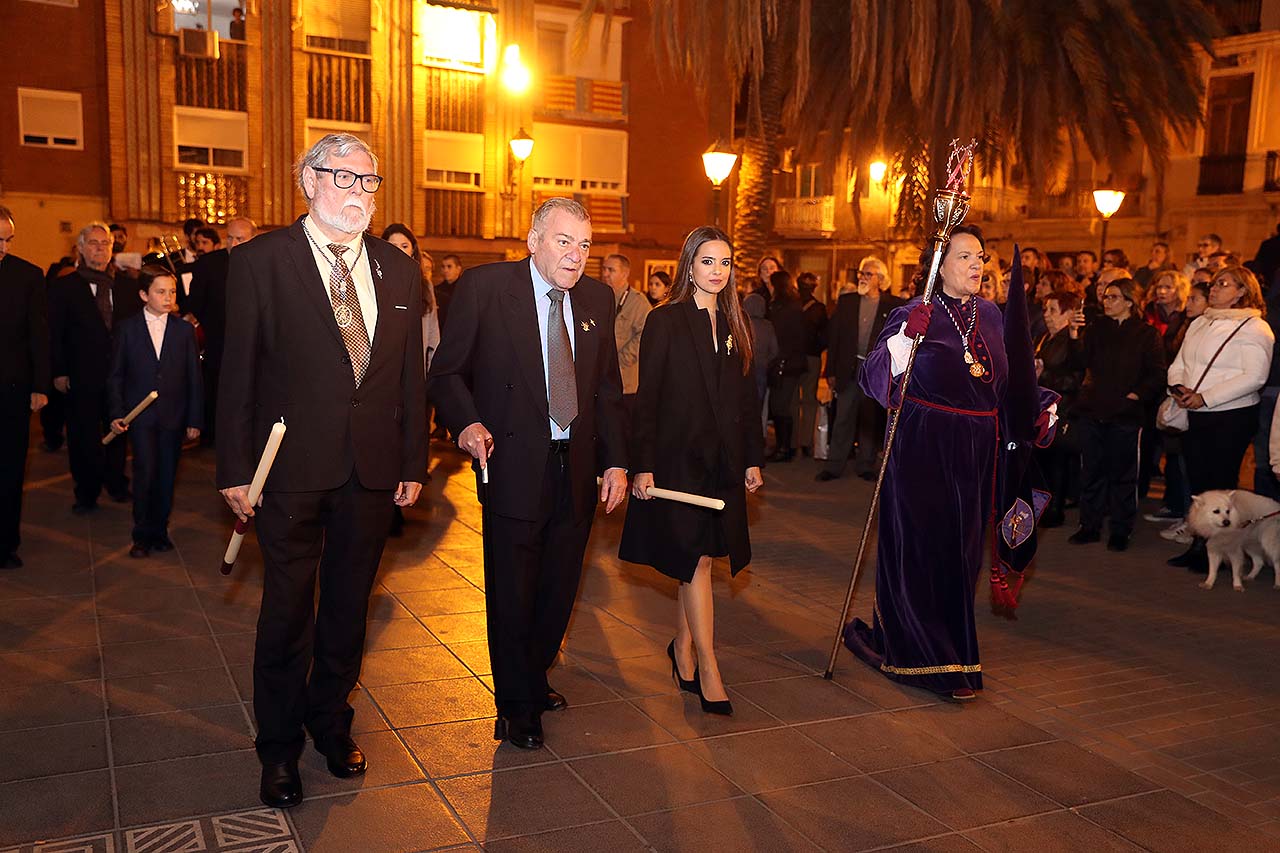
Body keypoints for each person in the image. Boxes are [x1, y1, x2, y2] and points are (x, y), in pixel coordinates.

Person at [216, 134, 427, 808]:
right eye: (344, 177)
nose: (359, 192)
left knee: (346, 608)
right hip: (289, 471)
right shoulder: (259, 262)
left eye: (370, 181)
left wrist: (413, 458)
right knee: (286, 611)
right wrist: (234, 467)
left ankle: (329, 720)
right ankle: (277, 748)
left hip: (370, 470)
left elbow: (407, 376)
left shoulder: (399, 270)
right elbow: (237, 371)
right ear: (307, 179)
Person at [428, 197, 628, 751]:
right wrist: (466, 424)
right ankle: (515, 703)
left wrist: (615, 459)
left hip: (577, 467)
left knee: (559, 587)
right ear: (534, 240)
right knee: (513, 588)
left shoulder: (596, 299)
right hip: (512, 464)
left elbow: (606, 389)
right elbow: (446, 374)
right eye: (564, 241)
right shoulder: (485, 289)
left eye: (585, 244)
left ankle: (534, 676)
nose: (576, 255)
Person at [843, 224, 1057, 700]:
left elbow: (1005, 386)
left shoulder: (995, 318)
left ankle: (954, 652)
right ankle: (919, 656)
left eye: (981, 256)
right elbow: (872, 379)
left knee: (961, 557)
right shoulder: (911, 312)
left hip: (976, 452)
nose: (977, 264)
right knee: (920, 551)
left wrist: (1039, 406)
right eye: (964, 257)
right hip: (923, 446)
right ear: (940, 266)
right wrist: (902, 343)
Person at [619, 226, 764, 715]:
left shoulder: (736, 322)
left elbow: (746, 400)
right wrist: (643, 466)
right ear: (689, 265)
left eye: (725, 262)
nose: (717, 271)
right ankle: (708, 664)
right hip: (678, 463)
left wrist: (750, 459)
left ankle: (681, 649)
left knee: (698, 560)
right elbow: (649, 400)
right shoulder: (666, 321)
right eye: (708, 261)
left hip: (722, 464)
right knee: (697, 560)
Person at [1166, 266, 1273, 571]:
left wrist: (1206, 397)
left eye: (1223, 284)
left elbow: (1254, 376)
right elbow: (1181, 361)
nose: (1214, 289)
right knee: (1198, 484)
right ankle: (1199, 543)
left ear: (1242, 291)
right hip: (1196, 413)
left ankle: (1223, 551)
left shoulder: (1255, 328)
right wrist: (1179, 387)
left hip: (1231, 417)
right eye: (1214, 284)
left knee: (1221, 485)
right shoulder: (1201, 322)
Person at [108, 267, 203, 557]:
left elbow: (194, 377)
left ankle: (160, 530)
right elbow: (116, 376)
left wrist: (195, 419)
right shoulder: (127, 328)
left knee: (166, 474)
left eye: (172, 291)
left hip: (173, 415)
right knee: (145, 471)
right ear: (143, 294)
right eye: (160, 291)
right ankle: (141, 534)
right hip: (140, 416)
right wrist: (117, 412)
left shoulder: (184, 330)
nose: (168, 297)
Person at [1065, 278, 1166, 551]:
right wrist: (1074, 335)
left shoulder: (1146, 334)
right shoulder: (1096, 329)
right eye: (1106, 297)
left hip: (1125, 415)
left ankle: (1121, 530)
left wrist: (1136, 395)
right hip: (1092, 411)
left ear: (1130, 302)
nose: (1107, 302)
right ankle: (1090, 525)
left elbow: (1157, 373)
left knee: (1123, 475)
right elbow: (1078, 363)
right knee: (1092, 471)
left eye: (1114, 297)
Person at [48, 222, 138, 513]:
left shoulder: (127, 286)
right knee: (82, 436)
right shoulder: (64, 287)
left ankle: (116, 484)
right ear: (81, 248)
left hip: (119, 377)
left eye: (105, 243)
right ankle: (85, 493)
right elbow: (54, 332)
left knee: (118, 433)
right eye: (94, 243)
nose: (100, 249)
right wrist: (59, 371)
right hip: (81, 376)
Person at [817, 257, 904, 481]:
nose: (862, 278)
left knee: (869, 419)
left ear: (881, 279)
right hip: (848, 368)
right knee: (842, 418)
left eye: (868, 274)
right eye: (861, 274)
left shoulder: (891, 305)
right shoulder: (847, 301)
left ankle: (865, 464)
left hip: (874, 371)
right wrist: (830, 372)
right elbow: (834, 337)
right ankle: (834, 465)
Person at [380, 222, 438, 536]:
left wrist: (429, 375)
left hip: (414, 376)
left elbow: (432, 335)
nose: (399, 252)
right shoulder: (373, 281)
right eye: (392, 245)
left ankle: (400, 498)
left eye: (405, 246)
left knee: (409, 439)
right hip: (385, 379)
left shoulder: (422, 284)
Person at [0, 206, 50, 569]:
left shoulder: (28, 276)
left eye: (8, 239)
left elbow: (39, 336)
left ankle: (5, 543)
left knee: (9, 468)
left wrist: (40, 385)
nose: (3, 246)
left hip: (12, 389)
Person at [186, 217, 257, 446]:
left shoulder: (264, 261)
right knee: (217, 393)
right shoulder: (207, 265)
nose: (233, 243)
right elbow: (195, 304)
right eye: (229, 238)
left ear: (253, 239)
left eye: (240, 238)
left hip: (254, 344)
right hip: (218, 344)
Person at [1033, 290, 1084, 528]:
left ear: (1069, 313)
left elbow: (1076, 379)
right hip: (1044, 407)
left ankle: (1055, 509)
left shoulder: (1072, 340)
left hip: (1063, 409)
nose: (1047, 315)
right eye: (1045, 309)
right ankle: (1044, 505)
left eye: (1053, 310)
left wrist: (1044, 375)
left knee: (1057, 462)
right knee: (1044, 460)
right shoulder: (1045, 337)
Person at [764, 269, 805, 462]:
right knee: (780, 405)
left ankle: (785, 448)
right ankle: (783, 446)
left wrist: (781, 358)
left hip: (787, 364)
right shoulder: (784, 306)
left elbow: (790, 338)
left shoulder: (787, 308)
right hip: (785, 362)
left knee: (781, 405)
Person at [601, 252, 650, 411]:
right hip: (602, 381)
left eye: (611, 270)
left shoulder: (638, 302)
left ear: (625, 273)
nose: (605, 274)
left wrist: (619, 360)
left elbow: (644, 337)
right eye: (604, 269)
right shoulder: (599, 297)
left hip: (626, 383)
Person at [794, 271, 828, 456]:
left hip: (793, 357)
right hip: (811, 357)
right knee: (808, 400)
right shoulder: (819, 308)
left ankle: (793, 441)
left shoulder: (790, 305)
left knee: (793, 400)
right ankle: (805, 441)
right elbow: (826, 336)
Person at [743, 291, 777, 438]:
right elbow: (774, 350)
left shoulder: (741, 323)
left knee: (743, 405)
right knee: (759, 405)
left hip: (743, 369)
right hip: (761, 369)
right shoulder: (767, 325)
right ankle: (756, 438)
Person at [436, 253, 463, 331]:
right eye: (443, 267)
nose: (445, 270)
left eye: (449, 267)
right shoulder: (437, 290)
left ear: (458, 269)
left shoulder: (466, 289)